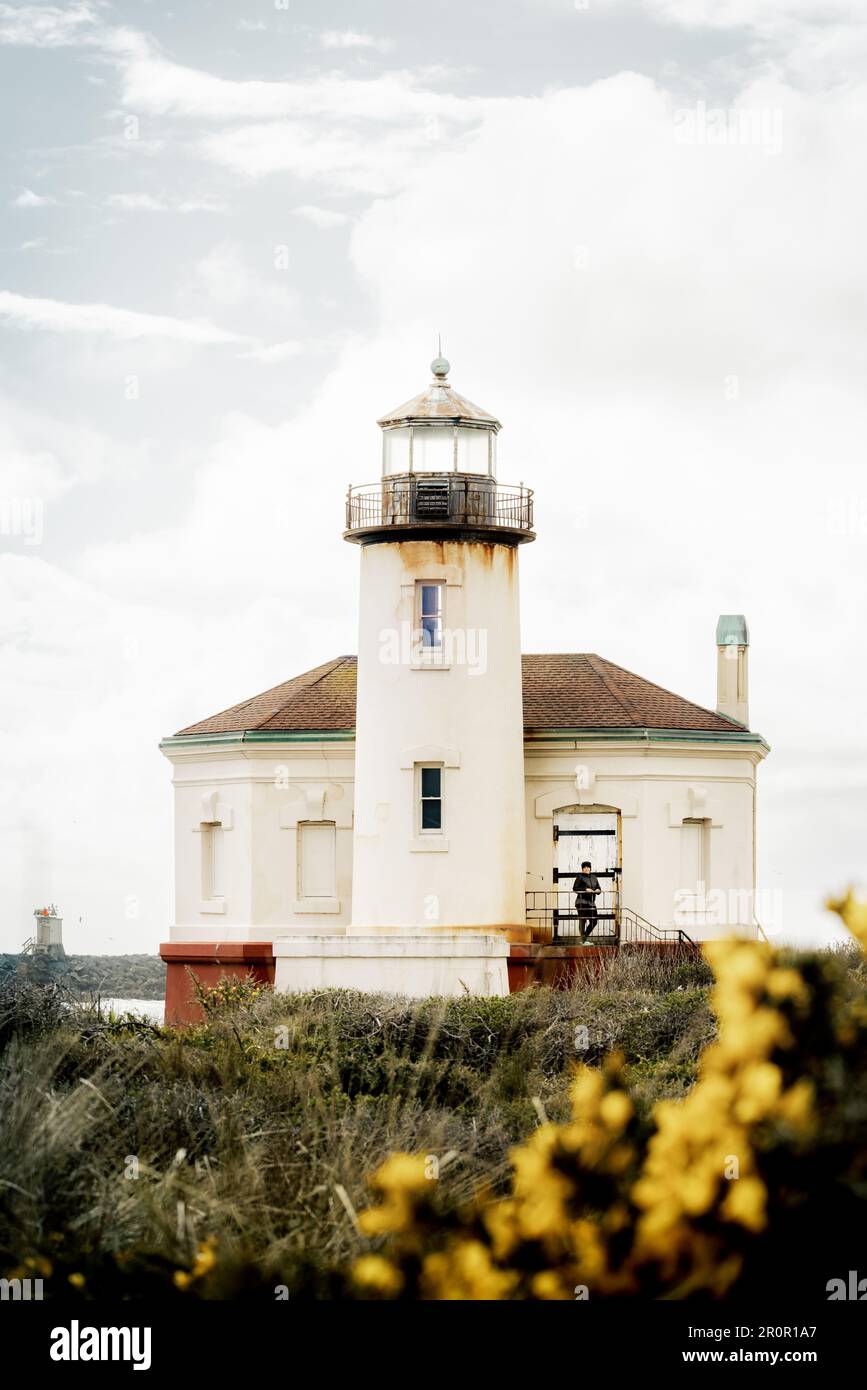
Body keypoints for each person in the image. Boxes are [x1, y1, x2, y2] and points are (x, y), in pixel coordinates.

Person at [572, 860, 601, 944]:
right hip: (581, 902)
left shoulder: (594, 877)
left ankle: (584, 937)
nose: (586, 869)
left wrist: (598, 890)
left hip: (591, 903)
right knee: (583, 920)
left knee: (594, 920)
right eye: (584, 867)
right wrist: (585, 889)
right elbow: (575, 888)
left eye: (588, 867)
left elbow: (599, 888)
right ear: (582, 869)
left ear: (590, 868)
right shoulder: (580, 877)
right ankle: (583, 940)